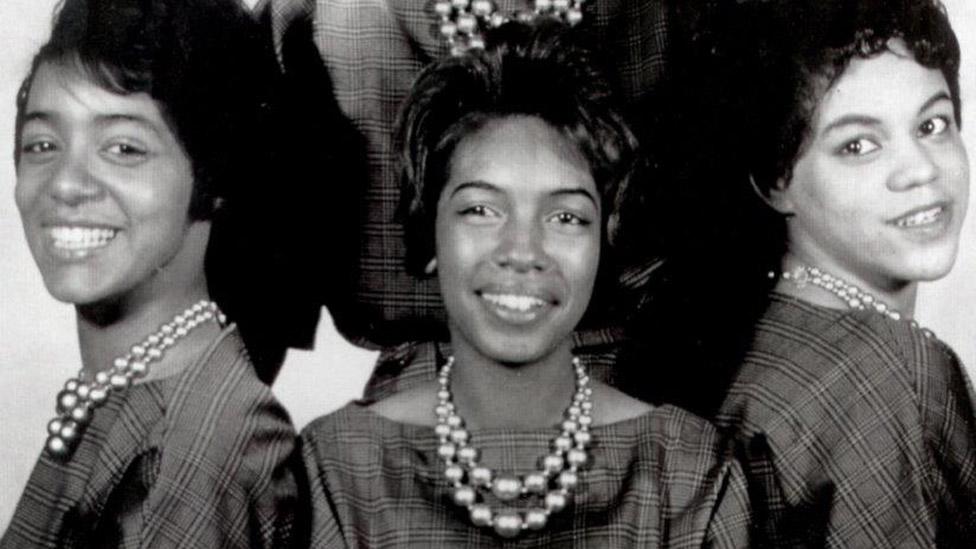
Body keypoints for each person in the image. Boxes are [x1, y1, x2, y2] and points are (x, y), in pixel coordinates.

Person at [300, 20, 752, 548]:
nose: (523, 252)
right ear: (428, 235)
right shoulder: (338, 466)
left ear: (603, 244)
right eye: (481, 209)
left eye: (565, 218)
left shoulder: (689, 470)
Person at [625, 0, 976, 545]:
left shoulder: (761, 336)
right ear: (774, 181)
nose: (921, 171)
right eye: (858, 145)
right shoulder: (891, 372)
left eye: (933, 124)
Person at [1, 0, 301, 546]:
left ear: (213, 176)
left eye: (123, 148)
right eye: (43, 144)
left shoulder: (199, 442)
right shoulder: (132, 392)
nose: (66, 184)